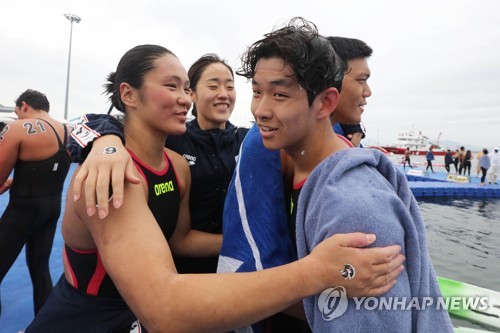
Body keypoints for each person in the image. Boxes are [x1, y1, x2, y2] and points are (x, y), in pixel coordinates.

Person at [26, 44, 402, 333]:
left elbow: (178, 239)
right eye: (172, 86)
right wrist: (316, 271)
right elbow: (163, 309)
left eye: (186, 87)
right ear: (128, 94)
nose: (185, 99)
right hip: (92, 319)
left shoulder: (176, 166)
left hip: (175, 300)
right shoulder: (109, 175)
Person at [236, 18, 452, 331]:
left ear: (325, 102)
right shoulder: (288, 162)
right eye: (257, 92)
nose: (260, 110)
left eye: (280, 95)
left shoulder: (353, 208)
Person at [68, 54, 247, 274]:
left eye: (230, 86)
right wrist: (107, 142)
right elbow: (87, 123)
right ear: (194, 94)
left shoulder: (246, 142)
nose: (223, 94)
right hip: (176, 269)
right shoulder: (174, 137)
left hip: (232, 263)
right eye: (213, 86)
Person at [0, 89, 71, 316]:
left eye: (18, 112)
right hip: (51, 211)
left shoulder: (18, 128)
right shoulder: (67, 131)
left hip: (21, 211)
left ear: (24, 105)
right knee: (40, 271)